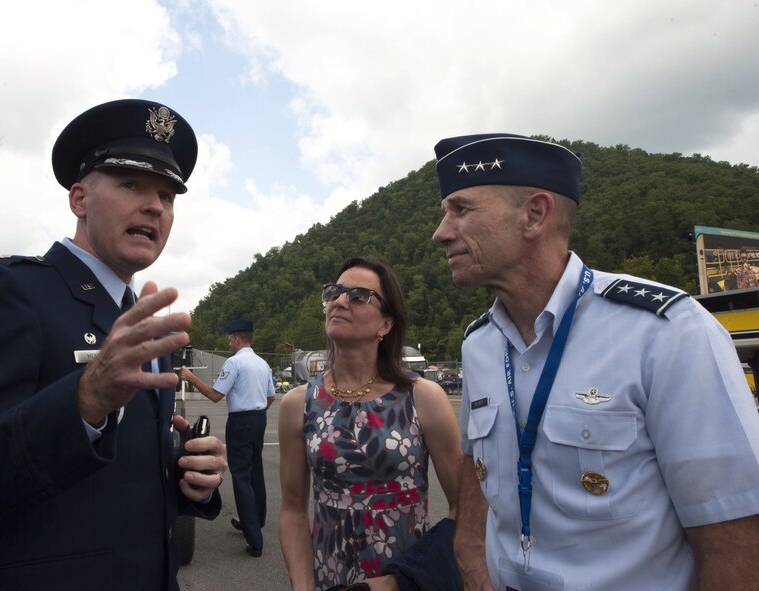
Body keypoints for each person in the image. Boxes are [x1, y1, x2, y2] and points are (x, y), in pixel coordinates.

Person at [0, 99, 228, 590]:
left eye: (168, 195)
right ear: (79, 199)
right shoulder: (7, 291)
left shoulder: (142, 325)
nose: (155, 205)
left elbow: (117, 487)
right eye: (131, 184)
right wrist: (83, 400)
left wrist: (189, 476)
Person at [431, 133, 759, 590]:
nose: (441, 232)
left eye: (461, 209)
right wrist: (470, 559)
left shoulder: (667, 332)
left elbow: (735, 541)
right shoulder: (479, 345)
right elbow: (474, 464)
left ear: (535, 214)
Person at [277, 256, 464, 591]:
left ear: (386, 324)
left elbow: (463, 507)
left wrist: (413, 577)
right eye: (334, 292)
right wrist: (303, 586)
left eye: (358, 295)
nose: (339, 301)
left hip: (404, 578)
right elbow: (293, 510)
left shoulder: (422, 397)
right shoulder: (298, 404)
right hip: (330, 578)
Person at [179, 319, 275, 557]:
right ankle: (255, 520)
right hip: (259, 418)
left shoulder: (234, 363)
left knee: (241, 476)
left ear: (236, 338)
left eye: (229, 339)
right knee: (255, 472)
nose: (229, 343)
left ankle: (254, 539)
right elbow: (271, 397)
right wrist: (258, 411)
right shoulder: (262, 363)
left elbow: (214, 394)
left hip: (240, 421)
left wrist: (191, 378)